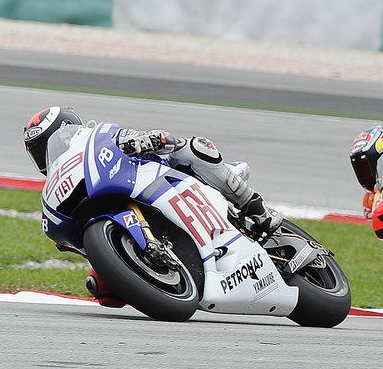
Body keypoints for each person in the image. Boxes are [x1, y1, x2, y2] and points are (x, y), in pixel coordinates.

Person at [22, 106, 282, 307]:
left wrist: (149, 140)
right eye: (38, 151)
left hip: (164, 173)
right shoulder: (64, 181)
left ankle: (255, 206)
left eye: (46, 143)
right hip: (128, 218)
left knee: (195, 147)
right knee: (101, 290)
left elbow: (144, 138)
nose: (44, 153)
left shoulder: (98, 139)